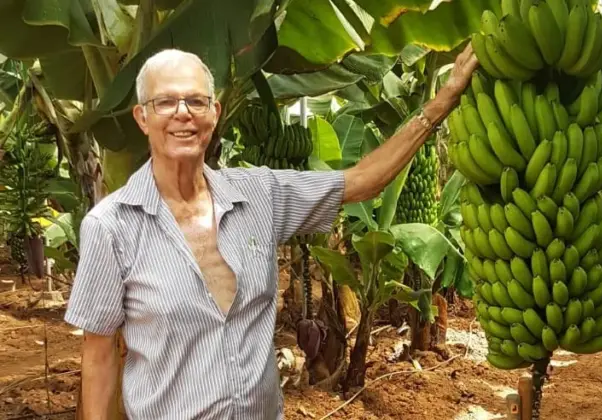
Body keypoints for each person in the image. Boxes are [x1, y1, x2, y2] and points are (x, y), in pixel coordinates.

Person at [64, 44, 478, 419]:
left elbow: (362, 180)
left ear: (215, 114)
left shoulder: (260, 195)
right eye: (165, 102)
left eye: (196, 100)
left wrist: (442, 102)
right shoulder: (111, 226)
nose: (183, 113)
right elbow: (99, 358)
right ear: (142, 117)